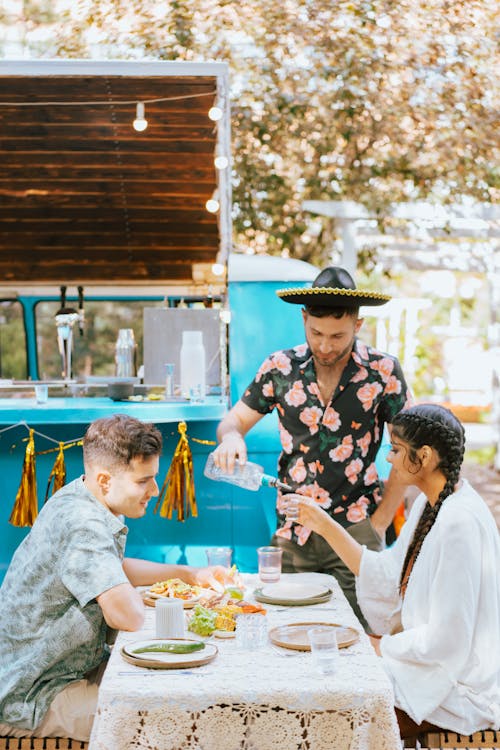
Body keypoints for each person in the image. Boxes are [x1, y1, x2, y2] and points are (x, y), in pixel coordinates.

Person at [0, 414, 234, 742]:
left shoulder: (84, 495)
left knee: (182, 687)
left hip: (64, 669)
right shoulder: (83, 523)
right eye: (143, 481)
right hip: (31, 694)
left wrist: (189, 574)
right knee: (166, 719)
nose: (154, 489)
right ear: (105, 480)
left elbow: (113, 568)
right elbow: (127, 615)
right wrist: (143, 598)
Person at [284, 403, 500, 739]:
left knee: (331, 704)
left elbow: (450, 640)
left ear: (425, 456)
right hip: (428, 669)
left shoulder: (459, 522)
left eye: (396, 449)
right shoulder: (433, 505)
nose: (389, 458)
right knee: (320, 674)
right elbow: (386, 577)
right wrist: (324, 525)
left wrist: (382, 647)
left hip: (457, 690)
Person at [214, 266, 411, 626]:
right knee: (285, 631)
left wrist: (380, 522)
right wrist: (230, 437)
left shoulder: (384, 372)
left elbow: (408, 452)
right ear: (304, 318)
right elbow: (234, 420)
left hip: (356, 530)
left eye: (337, 336)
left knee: (363, 633)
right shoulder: (279, 367)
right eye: (316, 332)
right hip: (293, 533)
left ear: (358, 325)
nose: (324, 345)